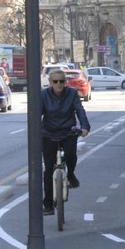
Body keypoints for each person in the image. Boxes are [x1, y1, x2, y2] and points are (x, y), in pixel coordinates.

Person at [41, 69, 90, 215]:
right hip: (48, 133)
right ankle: (48, 205)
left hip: (68, 131)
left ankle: (70, 174)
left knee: (70, 155)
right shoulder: (44, 95)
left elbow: (80, 110)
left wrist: (85, 127)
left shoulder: (72, 93)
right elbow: (37, 113)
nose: (59, 84)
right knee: (48, 170)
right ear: (50, 83)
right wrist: (35, 130)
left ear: (65, 82)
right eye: (55, 81)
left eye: (61, 81)